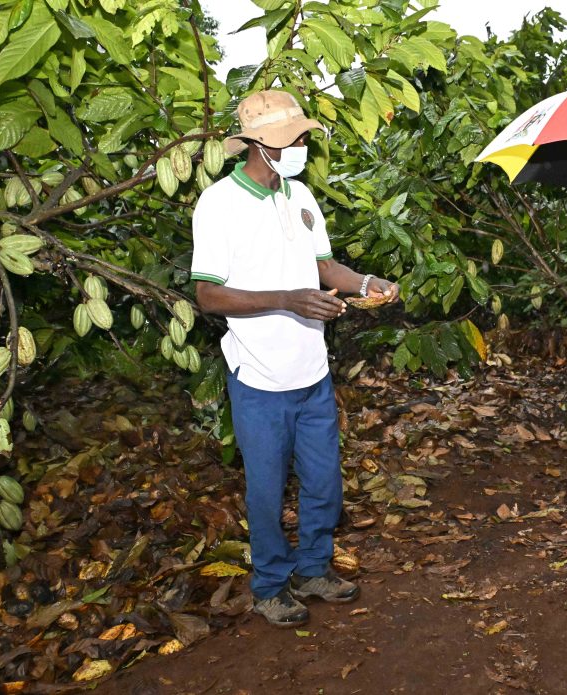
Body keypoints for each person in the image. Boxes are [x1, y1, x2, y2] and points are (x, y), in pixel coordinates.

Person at [191, 90, 400, 627]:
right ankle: (269, 585)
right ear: (260, 145)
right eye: (296, 138)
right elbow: (208, 295)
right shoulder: (219, 204)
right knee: (265, 488)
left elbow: (325, 267)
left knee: (324, 482)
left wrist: (369, 283)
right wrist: (286, 299)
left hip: (312, 371)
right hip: (259, 376)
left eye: (304, 137)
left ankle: (313, 569)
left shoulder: (300, 195)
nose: (304, 145)